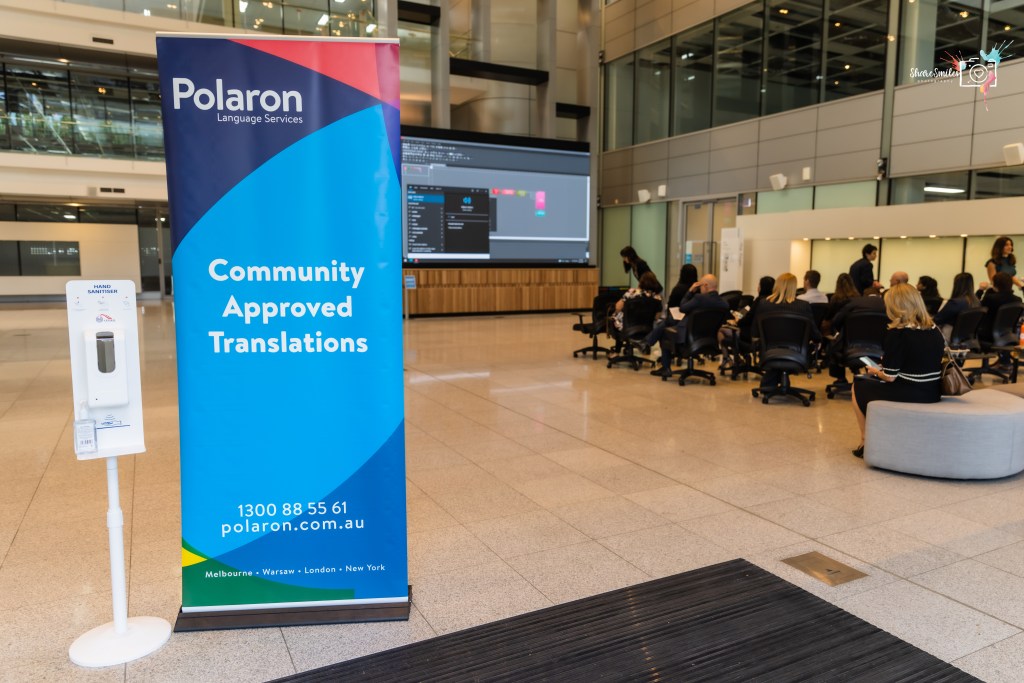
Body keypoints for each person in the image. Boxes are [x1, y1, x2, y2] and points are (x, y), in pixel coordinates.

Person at [850, 283, 945, 458]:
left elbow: (889, 377)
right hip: (932, 391)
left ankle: (865, 441)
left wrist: (875, 371)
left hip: (910, 391)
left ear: (895, 306)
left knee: (858, 384)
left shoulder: (898, 333)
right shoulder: (934, 329)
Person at [753, 273, 820, 392]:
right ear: (794, 287)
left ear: (777, 285)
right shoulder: (803, 306)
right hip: (797, 354)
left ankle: (771, 380)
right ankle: (776, 379)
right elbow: (815, 334)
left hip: (769, 353)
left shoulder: (763, 304)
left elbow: (755, 332)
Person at [653, 273, 728, 377]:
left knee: (665, 331)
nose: (700, 289)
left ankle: (666, 368)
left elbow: (682, 308)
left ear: (706, 285)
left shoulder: (699, 298)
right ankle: (648, 342)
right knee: (669, 324)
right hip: (709, 340)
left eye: (700, 286)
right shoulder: (724, 304)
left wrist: (690, 291)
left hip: (689, 339)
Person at [978, 272, 1022, 351]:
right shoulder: (1018, 300)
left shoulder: (990, 299)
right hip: (1009, 335)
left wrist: (981, 290)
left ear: (995, 285)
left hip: (988, 335)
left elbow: (978, 310)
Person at [933, 272, 980, 340]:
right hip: (967, 339)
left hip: (948, 336)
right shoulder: (976, 302)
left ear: (956, 285)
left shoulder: (956, 303)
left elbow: (937, 320)